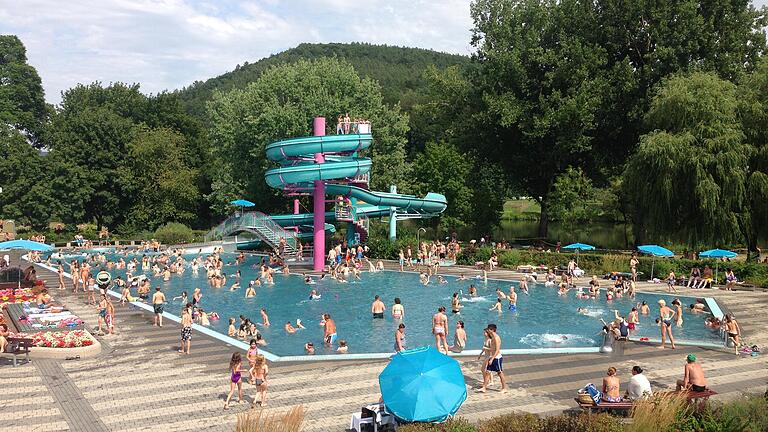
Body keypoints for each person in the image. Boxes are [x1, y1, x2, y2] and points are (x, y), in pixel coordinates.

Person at [477, 324, 507, 393]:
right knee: (487, 372)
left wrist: (492, 358)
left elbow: (497, 350)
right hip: (492, 357)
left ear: (492, 330)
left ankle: (504, 388)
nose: (487, 330)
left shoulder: (496, 338)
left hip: (497, 358)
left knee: (500, 373)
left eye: (489, 329)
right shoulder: (492, 337)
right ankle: (484, 388)